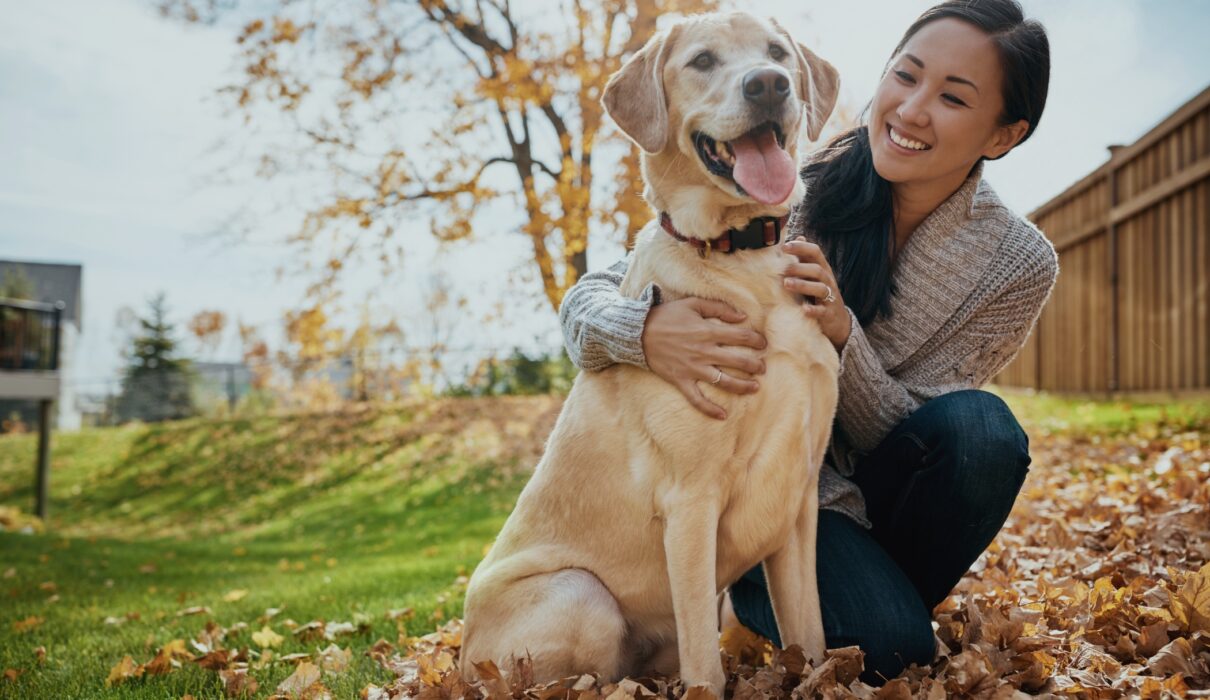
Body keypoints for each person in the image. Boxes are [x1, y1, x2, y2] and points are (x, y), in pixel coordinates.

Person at [558, 0, 1059, 685]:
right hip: (774, 503)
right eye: (904, 76)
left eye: (951, 97)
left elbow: (917, 429)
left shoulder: (1015, 263)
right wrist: (642, 329)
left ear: (1002, 135)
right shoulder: (778, 179)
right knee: (887, 651)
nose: (911, 109)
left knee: (983, 433)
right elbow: (596, 293)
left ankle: (883, 601)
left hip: (889, 480)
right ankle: (854, 611)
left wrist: (840, 334)